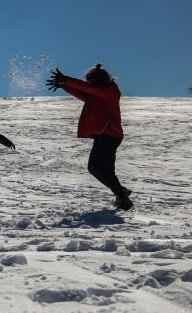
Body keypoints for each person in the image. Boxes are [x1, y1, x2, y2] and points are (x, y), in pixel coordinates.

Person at [47, 64, 133, 210]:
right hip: (104, 135)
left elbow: (87, 89)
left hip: (110, 135)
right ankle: (122, 192)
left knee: (97, 168)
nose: (88, 83)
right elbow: (83, 93)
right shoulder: (98, 93)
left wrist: (66, 80)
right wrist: (63, 85)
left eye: (90, 80)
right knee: (101, 170)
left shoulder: (110, 90)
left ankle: (124, 199)